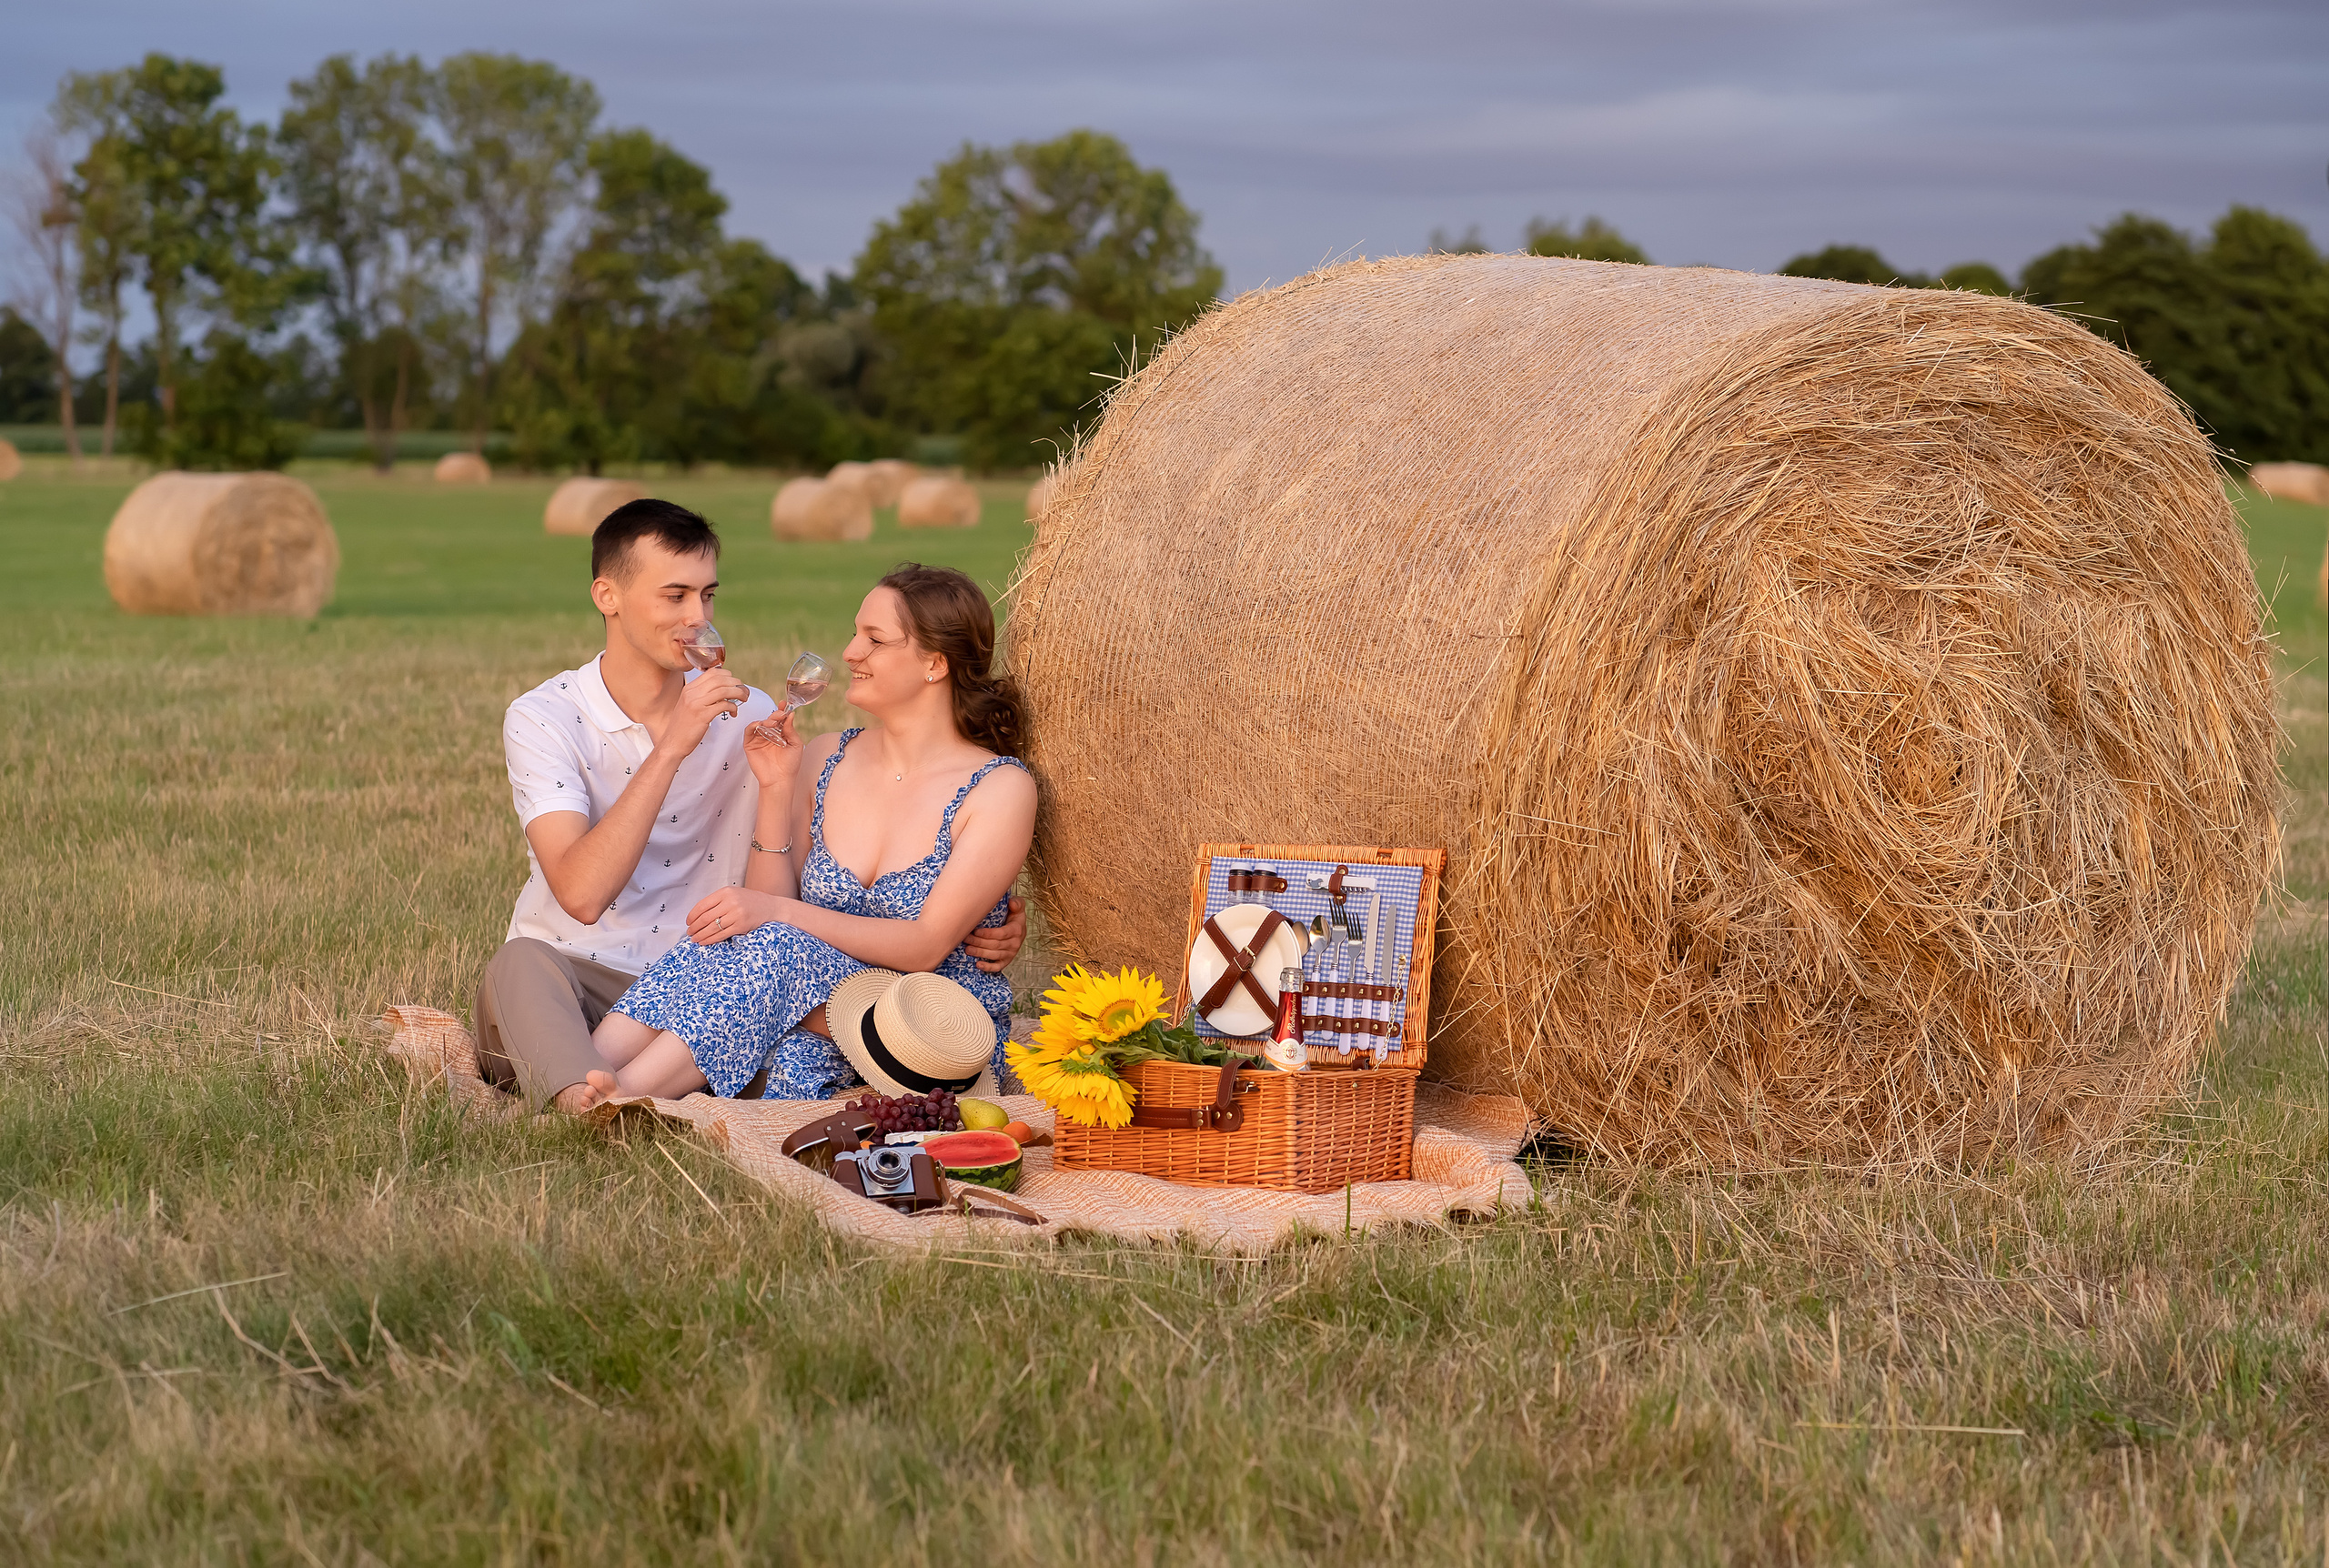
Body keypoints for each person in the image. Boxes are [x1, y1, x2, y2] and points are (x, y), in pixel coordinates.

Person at [471, 501, 1025, 1114]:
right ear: (608, 595)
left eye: (706, 596)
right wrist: (685, 749)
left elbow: (792, 914)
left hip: (730, 973)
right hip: (594, 976)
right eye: (675, 595)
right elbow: (581, 894)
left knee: (763, 951)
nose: (699, 617)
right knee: (520, 965)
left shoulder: (752, 717)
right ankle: (593, 1092)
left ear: (935, 663)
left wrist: (992, 924)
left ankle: (595, 1096)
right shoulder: (545, 717)